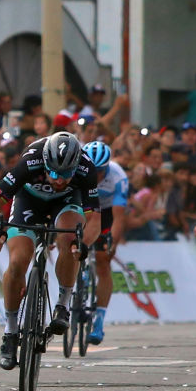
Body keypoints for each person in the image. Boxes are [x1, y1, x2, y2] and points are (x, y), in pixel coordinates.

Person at [0, 131, 100, 371]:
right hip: (29, 199)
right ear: (45, 163)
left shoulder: (86, 169)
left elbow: (95, 218)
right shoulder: (30, 160)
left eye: (66, 174)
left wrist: (84, 242)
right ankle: (10, 331)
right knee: (17, 262)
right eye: (54, 173)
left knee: (70, 239)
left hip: (67, 201)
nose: (59, 180)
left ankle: (63, 304)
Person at [82, 141, 127, 345]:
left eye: (100, 171)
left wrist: (113, 242)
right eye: (93, 171)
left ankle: (99, 320)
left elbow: (119, 217)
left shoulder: (118, 178)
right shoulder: (78, 170)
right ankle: (76, 284)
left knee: (102, 261)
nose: (97, 176)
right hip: (84, 209)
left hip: (107, 213)